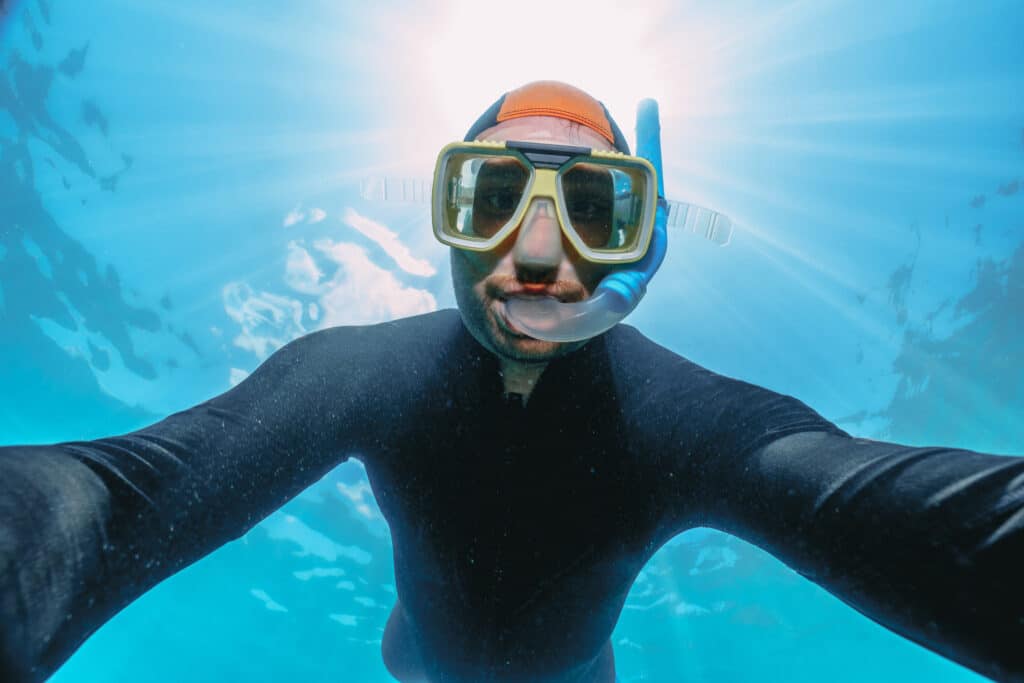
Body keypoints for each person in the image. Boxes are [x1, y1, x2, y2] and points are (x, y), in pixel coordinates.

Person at [0, 81, 1021, 683]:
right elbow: (118, 495)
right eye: (492, 196)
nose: (537, 255)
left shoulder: (692, 419)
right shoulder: (364, 372)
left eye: (592, 210)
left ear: (642, 238)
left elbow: (875, 499)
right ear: (445, 210)